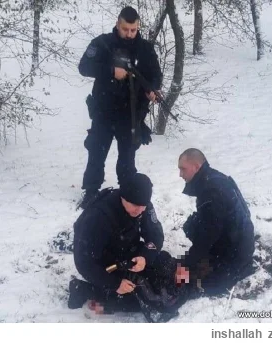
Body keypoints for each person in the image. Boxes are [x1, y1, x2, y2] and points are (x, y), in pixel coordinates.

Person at [78, 6, 162, 209]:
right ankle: (91, 191)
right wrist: (110, 70)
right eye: (125, 29)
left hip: (131, 114)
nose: (129, 34)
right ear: (118, 24)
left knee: (127, 156)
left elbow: (155, 75)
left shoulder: (145, 49)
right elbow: (84, 67)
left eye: (133, 30)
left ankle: (128, 190)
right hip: (104, 111)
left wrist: (152, 89)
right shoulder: (103, 43)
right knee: (97, 152)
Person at [69, 173, 180, 322]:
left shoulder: (141, 204)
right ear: (123, 197)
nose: (140, 210)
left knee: (166, 268)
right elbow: (84, 263)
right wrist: (114, 284)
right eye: (135, 205)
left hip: (128, 251)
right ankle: (84, 290)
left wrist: (145, 258)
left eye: (143, 206)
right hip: (104, 264)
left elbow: (155, 236)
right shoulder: (97, 217)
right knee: (139, 299)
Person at [175, 148, 256, 296]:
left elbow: (207, 236)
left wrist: (186, 265)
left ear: (196, 167)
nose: (180, 174)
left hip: (238, 249)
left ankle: (237, 266)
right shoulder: (214, 177)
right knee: (192, 224)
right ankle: (219, 256)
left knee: (207, 284)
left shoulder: (211, 191)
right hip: (237, 236)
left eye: (183, 169)